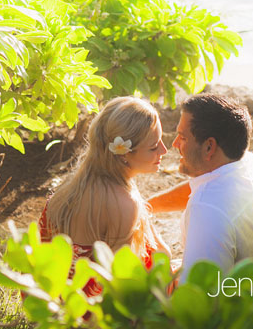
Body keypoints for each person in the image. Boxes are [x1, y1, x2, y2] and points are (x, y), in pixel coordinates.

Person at [148, 93, 253, 280]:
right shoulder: (249, 163)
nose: (174, 144)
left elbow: (197, 300)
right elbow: (201, 187)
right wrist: (148, 206)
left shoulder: (207, 210)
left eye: (182, 137)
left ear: (209, 147)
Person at [39, 96, 171, 294]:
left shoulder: (70, 185)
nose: (164, 150)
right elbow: (121, 281)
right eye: (153, 147)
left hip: (51, 297)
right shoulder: (123, 203)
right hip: (89, 312)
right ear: (124, 153)